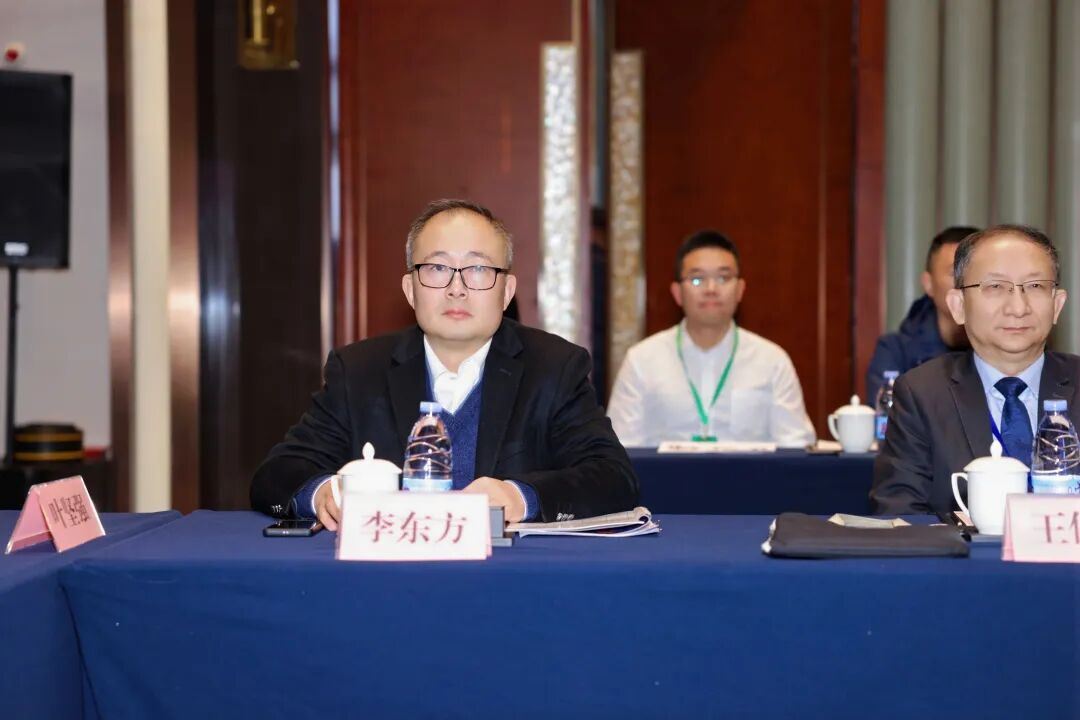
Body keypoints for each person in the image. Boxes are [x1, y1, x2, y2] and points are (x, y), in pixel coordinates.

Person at [251, 199, 639, 527]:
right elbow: (276, 475)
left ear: (507, 292)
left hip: (507, 577)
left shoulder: (554, 368)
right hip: (388, 576)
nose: (457, 288)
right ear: (410, 289)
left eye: (478, 269)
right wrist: (323, 494)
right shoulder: (359, 371)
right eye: (437, 268)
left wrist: (519, 497)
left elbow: (614, 478)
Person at [871, 224, 1080, 515]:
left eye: (1035, 286)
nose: (1018, 307)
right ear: (958, 306)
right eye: (995, 287)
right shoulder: (922, 394)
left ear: (1057, 305)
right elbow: (899, 513)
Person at [607, 230, 815, 447]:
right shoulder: (641, 361)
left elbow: (795, 446)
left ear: (740, 290)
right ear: (677, 293)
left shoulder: (772, 361)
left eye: (723, 278)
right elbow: (620, 448)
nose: (711, 289)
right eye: (697, 279)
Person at [865, 226, 977, 403]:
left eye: (976, 271)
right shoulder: (897, 351)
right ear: (928, 284)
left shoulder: (1010, 344)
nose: (966, 282)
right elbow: (888, 415)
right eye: (955, 272)